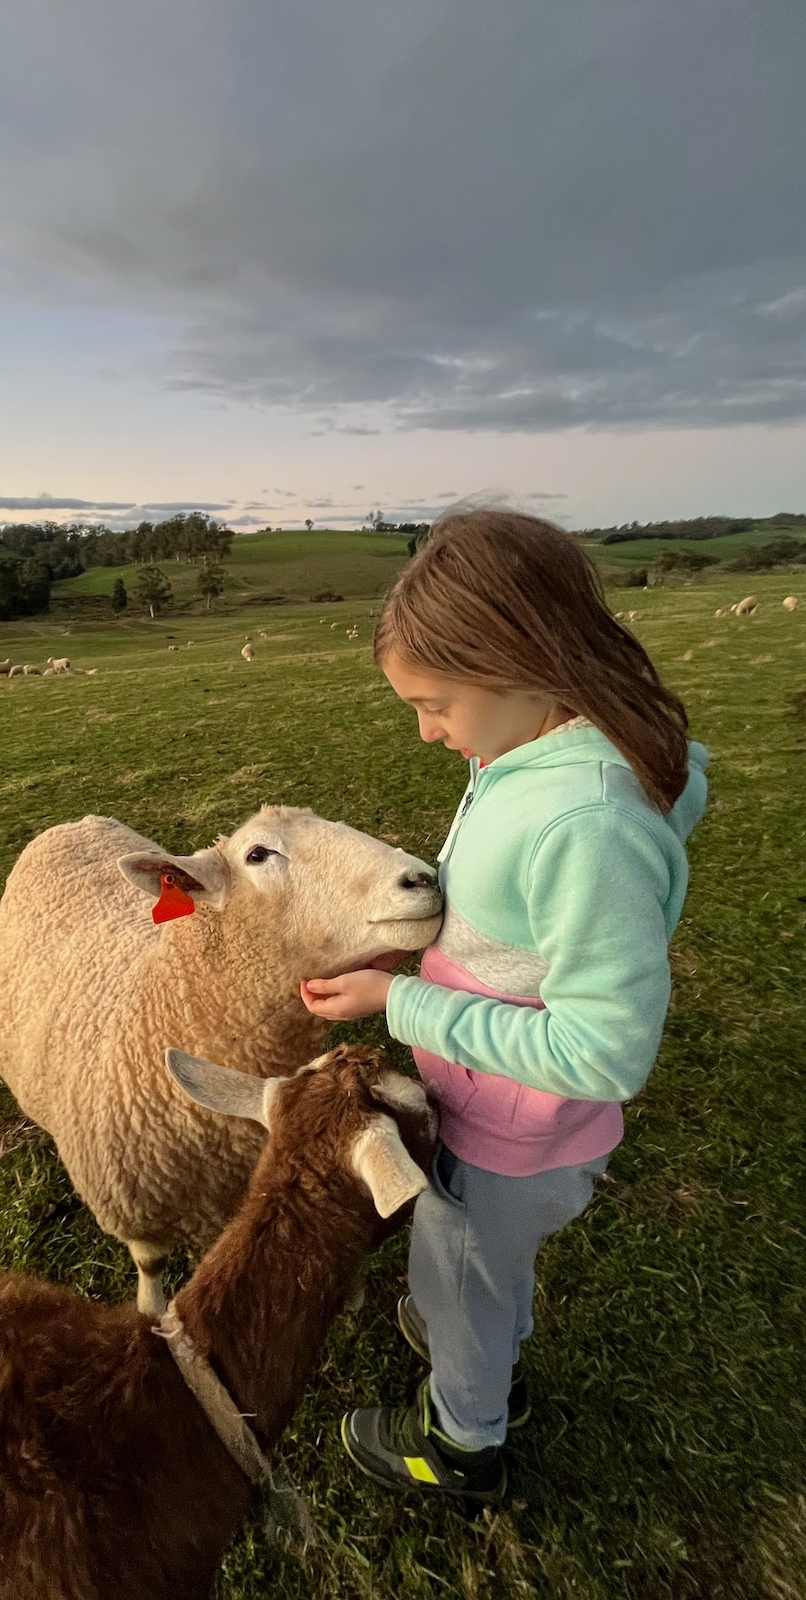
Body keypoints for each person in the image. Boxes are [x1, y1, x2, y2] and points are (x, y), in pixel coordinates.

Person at [300, 508, 709, 1504]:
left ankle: (466, 1438)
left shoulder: (585, 817)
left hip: (507, 1136)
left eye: (434, 702)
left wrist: (404, 1002)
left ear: (519, 658)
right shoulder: (537, 753)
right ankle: (476, 1328)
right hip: (498, 1109)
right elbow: (510, 922)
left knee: (466, 1273)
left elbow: (605, 1051)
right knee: (474, 1272)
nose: (426, 730)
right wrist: (410, 949)